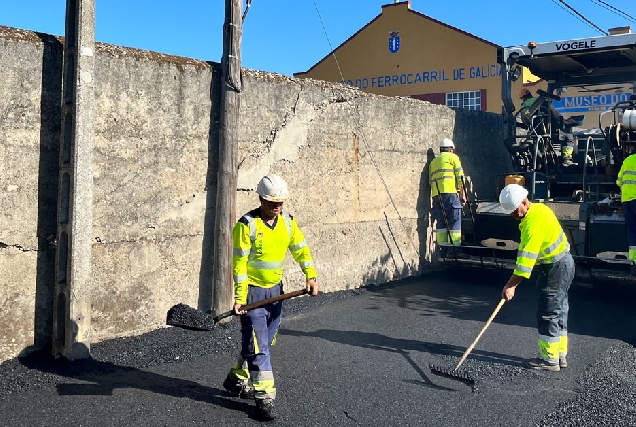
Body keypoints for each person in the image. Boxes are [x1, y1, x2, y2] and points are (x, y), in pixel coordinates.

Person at [222, 174, 319, 421]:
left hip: (276, 292)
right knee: (259, 345)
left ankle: (236, 379)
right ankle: (264, 398)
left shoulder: (288, 223)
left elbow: (301, 250)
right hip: (253, 293)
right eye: (272, 202)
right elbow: (239, 265)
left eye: (281, 202)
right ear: (261, 198)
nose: (277, 206)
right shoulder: (247, 225)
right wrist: (240, 298)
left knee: (266, 340)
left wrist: (311, 276)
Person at [499, 183, 575, 371]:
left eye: (514, 211)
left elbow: (524, 265)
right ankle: (559, 355)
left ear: (524, 202)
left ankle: (549, 360)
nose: (512, 215)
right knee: (559, 309)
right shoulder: (540, 209)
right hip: (564, 263)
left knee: (548, 312)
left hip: (555, 267)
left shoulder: (532, 226)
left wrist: (510, 286)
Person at [518, 88, 577, 167]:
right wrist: (565, 121)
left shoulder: (524, 105)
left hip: (537, 131)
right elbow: (555, 113)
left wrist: (532, 123)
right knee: (568, 136)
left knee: (533, 143)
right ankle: (566, 159)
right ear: (530, 95)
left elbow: (525, 121)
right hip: (552, 128)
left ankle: (539, 162)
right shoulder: (543, 101)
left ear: (523, 98)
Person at [429, 137, 467, 257]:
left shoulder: (433, 163)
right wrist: (463, 195)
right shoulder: (453, 158)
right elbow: (460, 177)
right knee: (455, 221)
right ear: (451, 150)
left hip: (436, 196)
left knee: (441, 223)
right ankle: (454, 251)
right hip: (450, 194)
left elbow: (430, 181)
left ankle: (444, 249)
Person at [617, 152, 636, 275]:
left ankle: (634, 263)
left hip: (627, 201)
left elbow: (619, 181)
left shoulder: (628, 159)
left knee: (632, 232)